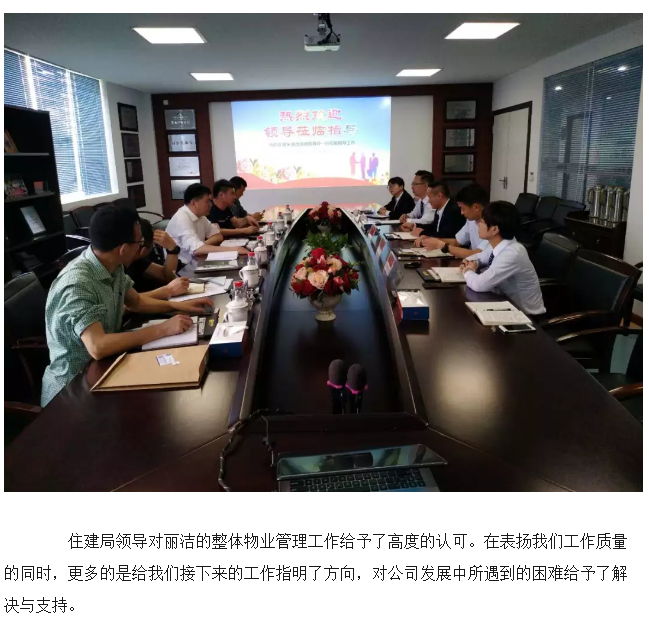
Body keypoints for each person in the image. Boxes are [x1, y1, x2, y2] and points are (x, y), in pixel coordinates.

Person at [40, 205, 214, 407]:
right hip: (72, 390)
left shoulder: (111, 265)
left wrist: (181, 306)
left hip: (106, 367)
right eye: (139, 242)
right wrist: (163, 329)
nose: (141, 248)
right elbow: (98, 346)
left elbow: (136, 302)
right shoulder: (77, 284)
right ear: (123, 249)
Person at [460, 201, 546, 316]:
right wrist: (470, 262)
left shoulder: (512, 254)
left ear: (494, 229)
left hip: (526, 316)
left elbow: (479, 285)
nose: (478, 225)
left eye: (481, 222)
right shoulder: (499, 244)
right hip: (506, 305)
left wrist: (467, 270)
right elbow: (479, 257)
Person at [166, 183, 248, 272]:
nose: (211, 204)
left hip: (196, 261)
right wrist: (233, 250)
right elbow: (197, 250)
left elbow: (218, 236)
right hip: (182, 268)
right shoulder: (182, 218)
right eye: (207, 201)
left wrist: (202, 245)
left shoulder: (201, 217)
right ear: (193, 203)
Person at [415, 183, 489, 258]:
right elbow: (457, 242)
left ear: (476, 207)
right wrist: (430, 240)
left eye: (463, 209)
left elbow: (478, 254)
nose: (461, 213)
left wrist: (442, 246)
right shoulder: (471, 221)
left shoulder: (491, 224)